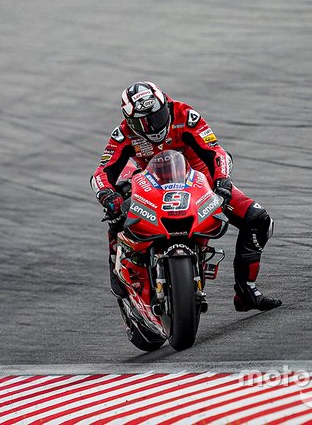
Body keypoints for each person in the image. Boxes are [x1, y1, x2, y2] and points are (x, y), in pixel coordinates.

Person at [91, 81, 281, 312]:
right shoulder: (124, 133)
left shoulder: (185, 115)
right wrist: (107, 195)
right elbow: (102, 171)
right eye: (141, 121)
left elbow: (215, 151)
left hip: (199, 182)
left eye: (156, 116)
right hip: (152, 186)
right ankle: (115, 264)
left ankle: (246, 289)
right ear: (129, 119)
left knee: (259, 220)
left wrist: (222, 180)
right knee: (116, 209)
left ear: (165, 105)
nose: (150, 126)